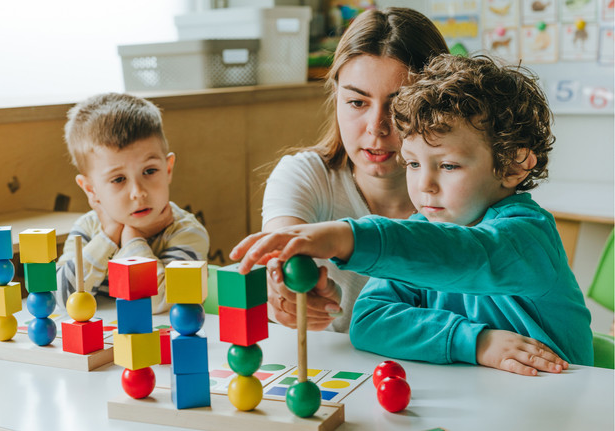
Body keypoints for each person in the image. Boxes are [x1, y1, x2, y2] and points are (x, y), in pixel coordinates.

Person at [231, 54, 593, 375]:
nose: (425, 185)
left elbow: (465, 255)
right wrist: (476, 342)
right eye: (413, 163)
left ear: (514, 165)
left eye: (449, 166)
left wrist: (350, 237)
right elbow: (369, 320)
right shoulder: (423, 228)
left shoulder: (528, 238)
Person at [260, 7, 449, 332]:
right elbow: (282, 248)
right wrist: (284, 288)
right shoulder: (305, 175)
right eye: (357, 102)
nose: (376, 128)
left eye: (398, 105)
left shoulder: (465, 193)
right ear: (336, 96)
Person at [57, 93, 209, 313]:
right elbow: (62, 297)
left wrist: (131, 238)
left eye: (150, 171)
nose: (138, 192)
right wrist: (108, 237)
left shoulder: (185, 231)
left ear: (167, 169)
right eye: (118, 179)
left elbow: (163, 302)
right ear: (91, 189)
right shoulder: (88, 229)